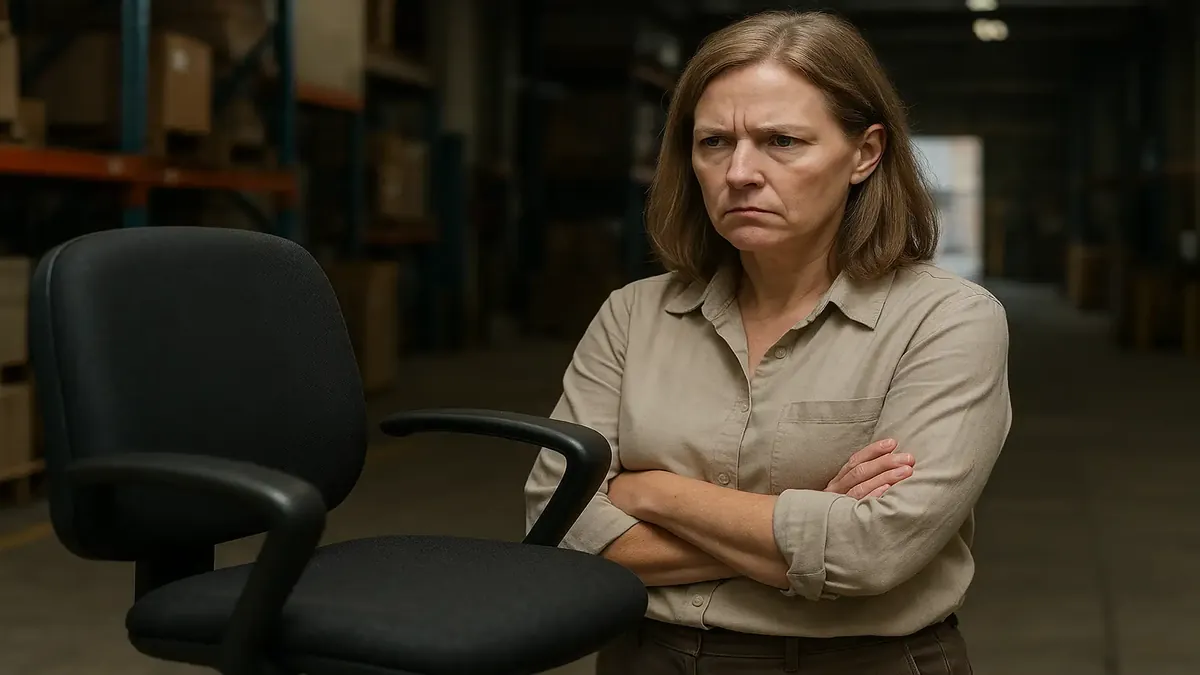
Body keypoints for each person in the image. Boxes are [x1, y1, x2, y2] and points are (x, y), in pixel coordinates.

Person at [524, 9, 1010, 675]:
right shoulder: (632, 315)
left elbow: (875, 551)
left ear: (864, 153)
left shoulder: (947, 320)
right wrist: (810, 521)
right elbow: (558, 526)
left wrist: (654, 493)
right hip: (648, 657)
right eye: (715, 142)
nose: (741, 172)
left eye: (782, 141)